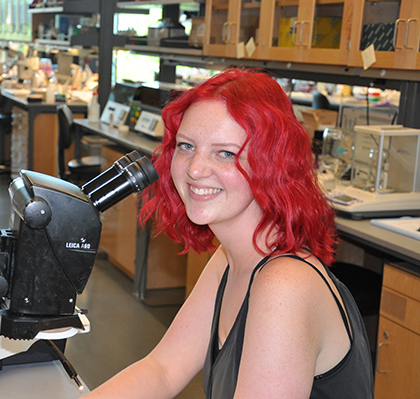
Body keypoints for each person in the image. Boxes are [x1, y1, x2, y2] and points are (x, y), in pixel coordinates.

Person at [82, 68, 374, 399]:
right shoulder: (231, 258)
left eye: (226, 153)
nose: (194, 169)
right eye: (187, 146)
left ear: (271, 164)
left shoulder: (285, 287)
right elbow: (161, 370)